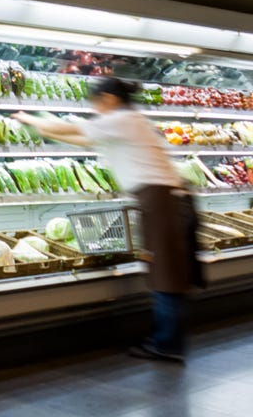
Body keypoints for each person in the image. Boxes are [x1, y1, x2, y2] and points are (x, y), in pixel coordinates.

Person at [15, 76, 200, 363]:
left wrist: (30, 118)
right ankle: (167, 339)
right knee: (165, 274)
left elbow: (73, 128)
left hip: (164, 203)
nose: (96, 110)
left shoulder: (123, 120)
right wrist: (44, 131)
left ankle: (168, 344)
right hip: (160, 202)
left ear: (109, 99)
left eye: (96, 103)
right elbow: (81, 138)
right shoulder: (126, 122)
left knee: (167, 277)